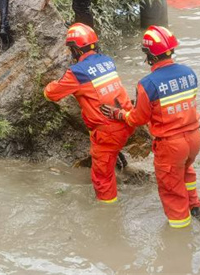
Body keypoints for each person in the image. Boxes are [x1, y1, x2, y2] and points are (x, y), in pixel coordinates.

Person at [102, 26, 200, 228]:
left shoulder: (148, 83)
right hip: (194, 137)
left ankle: (180, 235)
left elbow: (138, 119)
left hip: (171, 145)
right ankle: (195, 206)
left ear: (149, 56)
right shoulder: (189, 73)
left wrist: (119, 113)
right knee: (186, 172)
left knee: (171, 190)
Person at [43, 23, 135, 203]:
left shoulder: (76, 73)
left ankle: (108, 216)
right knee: (107, 154)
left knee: (102, 178)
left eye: (71, 49)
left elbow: (52, 94)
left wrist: (46, 87)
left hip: (108, 131)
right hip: (126, 120)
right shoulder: (108, 61)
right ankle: (120, 164)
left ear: (76, 50)